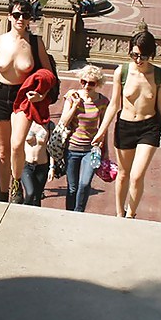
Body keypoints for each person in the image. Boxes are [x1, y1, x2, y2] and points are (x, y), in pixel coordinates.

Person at [0, 0, 53, 203]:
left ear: (29, 19)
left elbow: (49, 74)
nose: (20, 19)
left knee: (17, 145)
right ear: (9, 16)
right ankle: (2, 192)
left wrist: (41, 95)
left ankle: (16, 185)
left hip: (22, 98)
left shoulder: (35, 43)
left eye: (25, 15)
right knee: (4, 152)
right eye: (16, 15)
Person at [92, 31, 161, 219]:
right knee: (123, 174)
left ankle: (131, 214)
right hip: (125, 127)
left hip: (149, 127)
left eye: (142, 56)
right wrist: (101, 131)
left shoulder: (160, 76)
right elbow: (114, 104)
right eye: (134, 55)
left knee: (137, 176)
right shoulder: (122, 72)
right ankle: (120, 213)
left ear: (151, 54)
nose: (138, 60)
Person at [58, 65, 109, 212]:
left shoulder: (102, 101)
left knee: (85, 184)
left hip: (91, 150)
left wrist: (105, 151)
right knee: (72, 187)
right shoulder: (72, 96)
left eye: (91, 83)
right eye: (83, 82)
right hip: (72, 148)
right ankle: (69, 213)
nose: (87, 86)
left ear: (97, 84)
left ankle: (79, 213)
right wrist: (74, 106)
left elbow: (103, 128)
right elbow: (63, 122)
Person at [21, 121, 51, 207]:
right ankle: (23, 212)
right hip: (26, 165)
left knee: (37, 197)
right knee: (30, 193)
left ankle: (34, 218)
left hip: (42, 165)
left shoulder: (49, 125)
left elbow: (51, 147)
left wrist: (52, 167)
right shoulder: (24, 122)